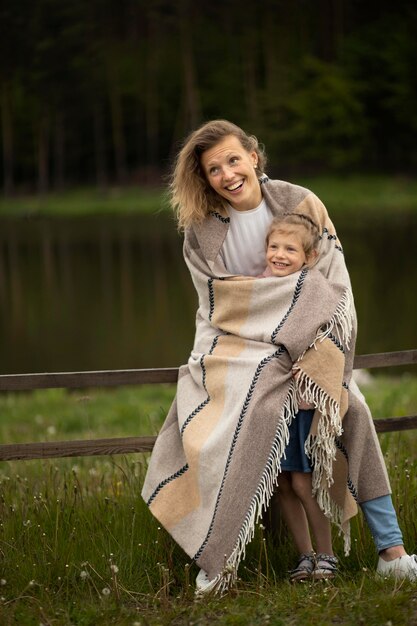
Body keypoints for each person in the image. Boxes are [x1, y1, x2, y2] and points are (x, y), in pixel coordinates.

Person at [142, 119, 417, 596]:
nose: (228, 174)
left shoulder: (300, 203)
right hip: (238, 346)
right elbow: (219, 303)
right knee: (239, 417)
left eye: (233, 159)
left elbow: (333, 286)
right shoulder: (201, 233)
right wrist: (280, 308)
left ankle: (391, 553)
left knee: (353, 411)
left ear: (253, 156)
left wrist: (309, 338)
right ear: (204, 179)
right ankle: (220, 556)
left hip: (312, 340)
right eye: (213, 169)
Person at [259, 213, 338, 581]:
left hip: (301, 402)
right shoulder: (258, 287)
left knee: (304, 482)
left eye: (289, 249)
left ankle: (327, 555)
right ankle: (304, 556)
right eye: (273, 246)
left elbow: (325, 341)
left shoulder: (312, 288)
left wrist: (309, 364)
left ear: (307, 256)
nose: (279, 254)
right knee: (280, 483)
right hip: (269, 402)